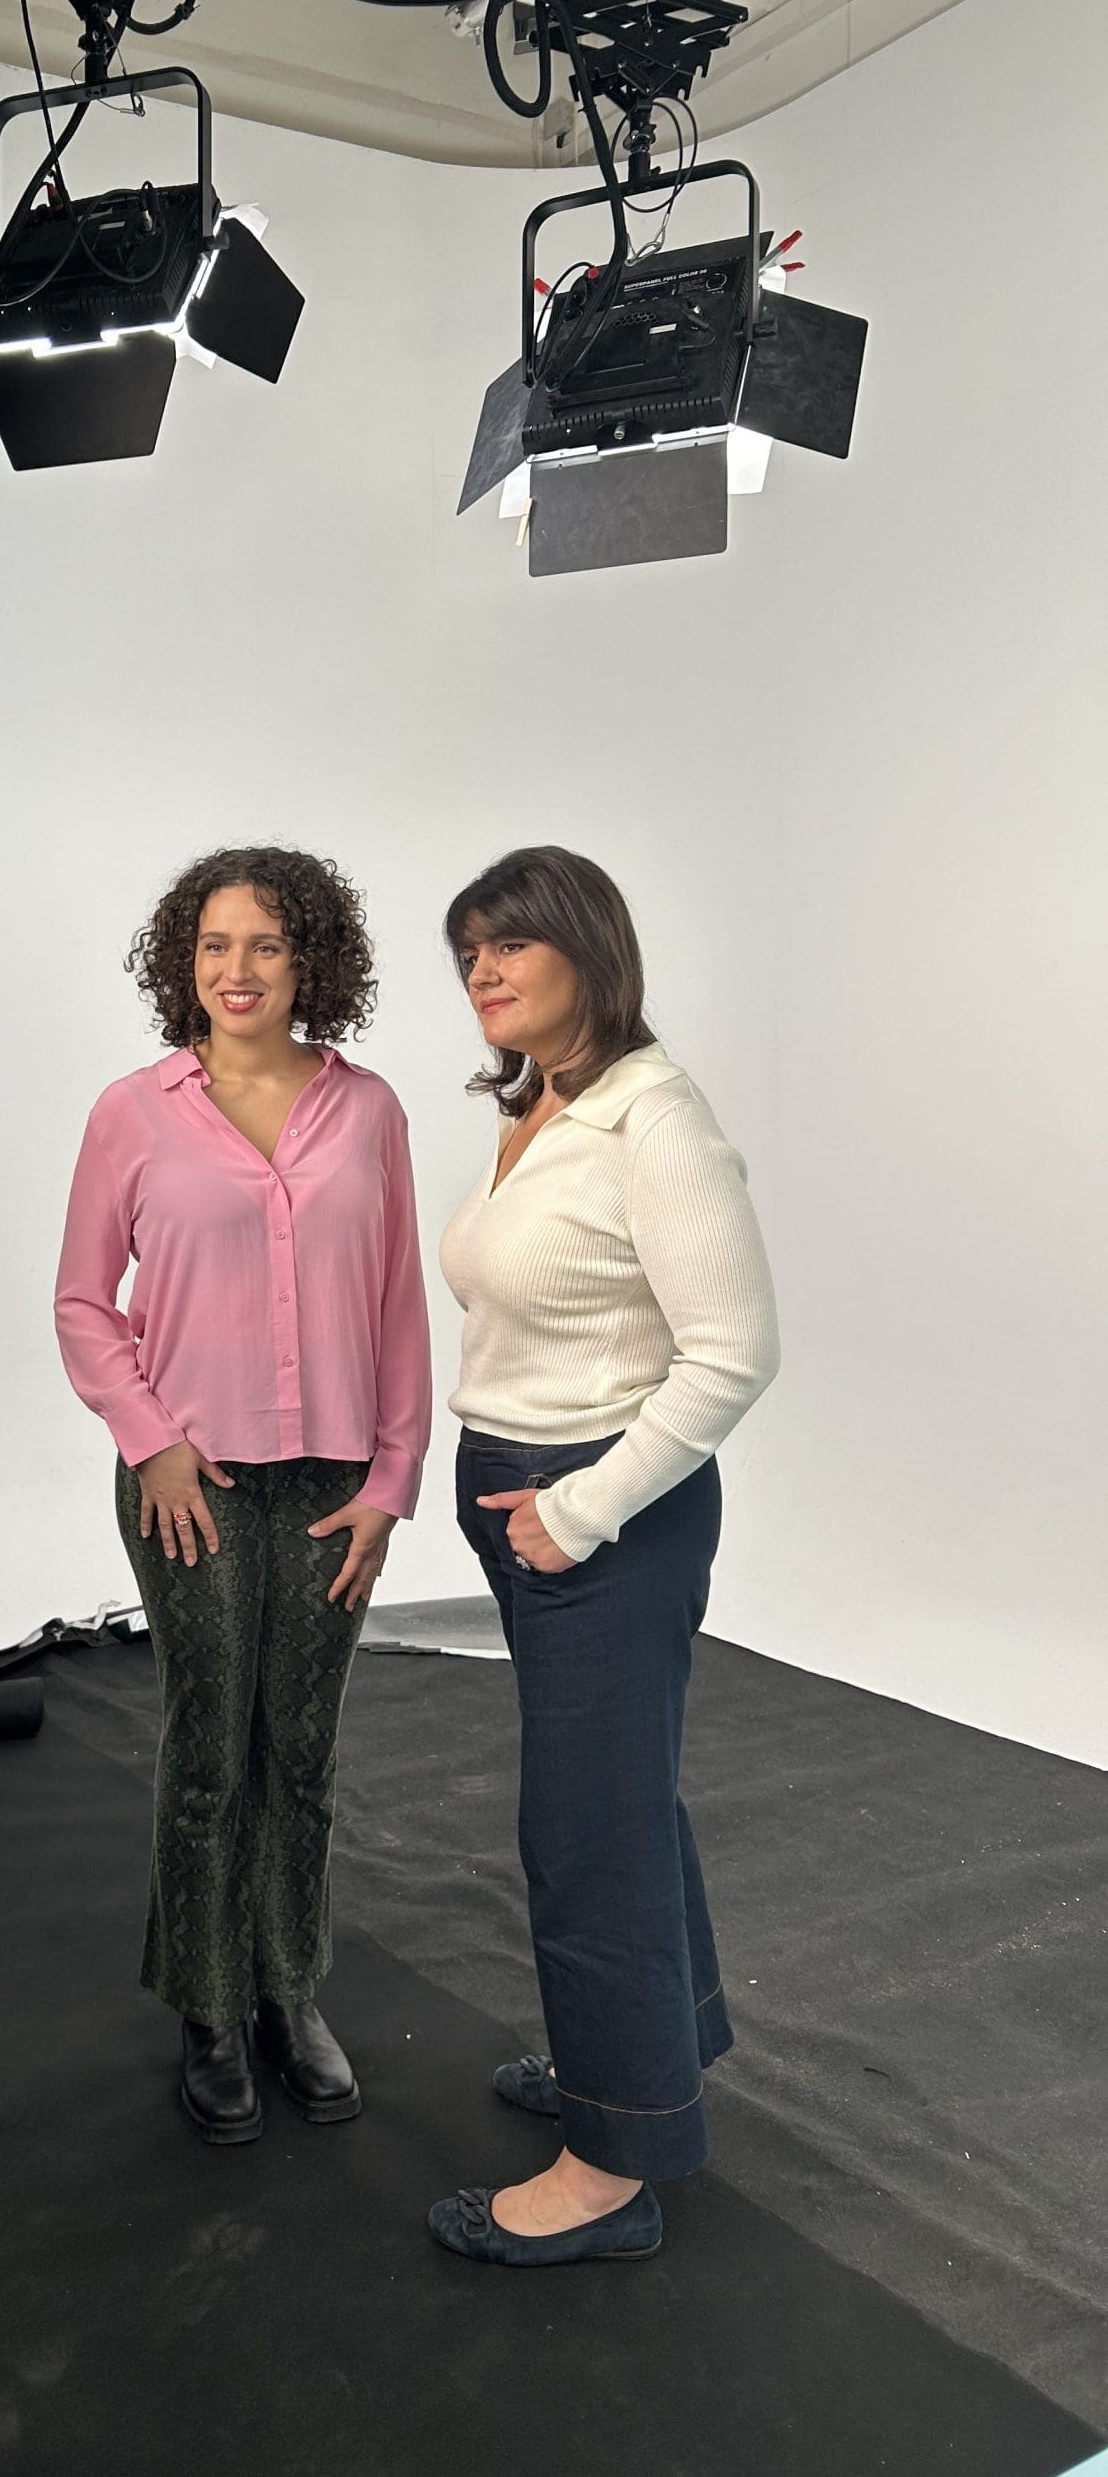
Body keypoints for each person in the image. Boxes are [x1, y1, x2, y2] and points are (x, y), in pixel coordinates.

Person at [423, 845, 779, 2267]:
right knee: (619, 1805)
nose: (484, 973)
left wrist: (579, 1511)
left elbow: (734, 1354)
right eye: (469, 954)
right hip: (531, 1503)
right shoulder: (545, 1104)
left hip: (602, 1524)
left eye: (510, 944)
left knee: (585, 1835)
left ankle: (613, 2168)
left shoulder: (655, 1122)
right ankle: (647, 2054)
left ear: (589, 949)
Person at [55, 846, 431, 2144]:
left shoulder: (369, 1112)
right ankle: (208, 2009)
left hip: (335, 1480)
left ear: (310, 959)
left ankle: (289, 1990)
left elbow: (397, 1306)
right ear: (184, 961)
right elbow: (82, 1301)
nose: (239, 970)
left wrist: (393, 1479)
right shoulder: (133, 1112)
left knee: (302, 1751)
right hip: (192, 1480)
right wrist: (149, 1440)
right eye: (215, 944)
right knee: (212, 1748)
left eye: (266, 944)